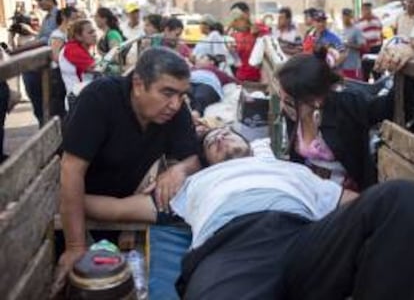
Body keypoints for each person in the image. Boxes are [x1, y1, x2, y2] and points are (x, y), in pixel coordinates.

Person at [81, 127, 414, 300]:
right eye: (212, 139)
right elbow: (114, 208)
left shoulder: (289, 170)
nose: (221, 135)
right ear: (205, 160)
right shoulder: (192, 185)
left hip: (304, 240)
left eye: (227, 132)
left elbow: (362, 207)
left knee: (398, 195)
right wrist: (65, 190)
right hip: (232, 249)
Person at [52, 47, 200, 295]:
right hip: (72, 201)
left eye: (182, 95)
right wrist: (75, 245)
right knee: (68, 278)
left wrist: (179, 170)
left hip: (121, 202)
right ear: (138, 84)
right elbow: (71, 170)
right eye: (167, 92)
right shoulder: (99, 98)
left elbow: (192, 159)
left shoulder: (176, 112)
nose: (175, 104)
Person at [278, 48, 393, 191]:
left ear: (316, 100)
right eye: (280, 98)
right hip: (309, 192)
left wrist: (405, 55)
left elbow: (390, 106)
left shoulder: (348, 105)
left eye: (289, 101)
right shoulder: (293, 114)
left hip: (349, 199)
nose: (282, 106)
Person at [21, 0, 59, 126]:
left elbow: (46, 39)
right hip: (45, 62)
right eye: (37, 1)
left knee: (45, 101)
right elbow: (40, 38)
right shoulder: (47, 17)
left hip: (52, 63)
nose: (39, 4)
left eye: (41, 0)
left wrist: (24, 47)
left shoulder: (57, 15)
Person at [59, 19, 98, 110]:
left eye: (94, 31)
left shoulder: (82, 48)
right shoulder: (72, 49)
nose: (95, 35)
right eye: (90, 32)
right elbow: (97, 68)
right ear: (78, 36)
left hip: (84, 93)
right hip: (78, 97)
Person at [49, 6, 79, 118]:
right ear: (64, 17)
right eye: (73, 18)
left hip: (65, 73)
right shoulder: (58, 35)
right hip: (58, 75)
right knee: (60, 107)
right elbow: (56, 57)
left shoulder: (68, 34)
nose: (76, 21)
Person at [226, 8, 261, 81]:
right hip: (240, 76)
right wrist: (229, 27)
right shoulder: (235, 35)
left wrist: (256, 34)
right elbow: (223, 37)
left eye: (243, 19)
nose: (234, 24)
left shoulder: (254, 33)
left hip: (253, 77)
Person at [356, 2, 383, 82]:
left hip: (376, 49)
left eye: (369, 10)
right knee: (365, 73)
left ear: (371, 10)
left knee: (377, 72)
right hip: (365, 50)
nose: (367, 12)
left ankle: (377, 91)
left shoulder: (377, 20)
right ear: (362, 11)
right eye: (365, 10)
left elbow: (380, 34)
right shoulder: (358, 23)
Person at [340, 8, 366, 80]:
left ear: (351, 17)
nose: (346, 18)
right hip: (343, 66)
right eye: (344, 16)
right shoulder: (341, 30)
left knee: (355, 86)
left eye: (348, 16)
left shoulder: (356, 30)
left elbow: (362, 46)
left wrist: (349, 45)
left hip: (353, 66)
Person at [121, 3, 145, 68]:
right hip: (125, 64)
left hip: (140, 63)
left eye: (137, 12)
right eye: (132, 12)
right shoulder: (122, 27)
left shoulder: (144, 26)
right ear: (127, 14)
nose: (135, 15)